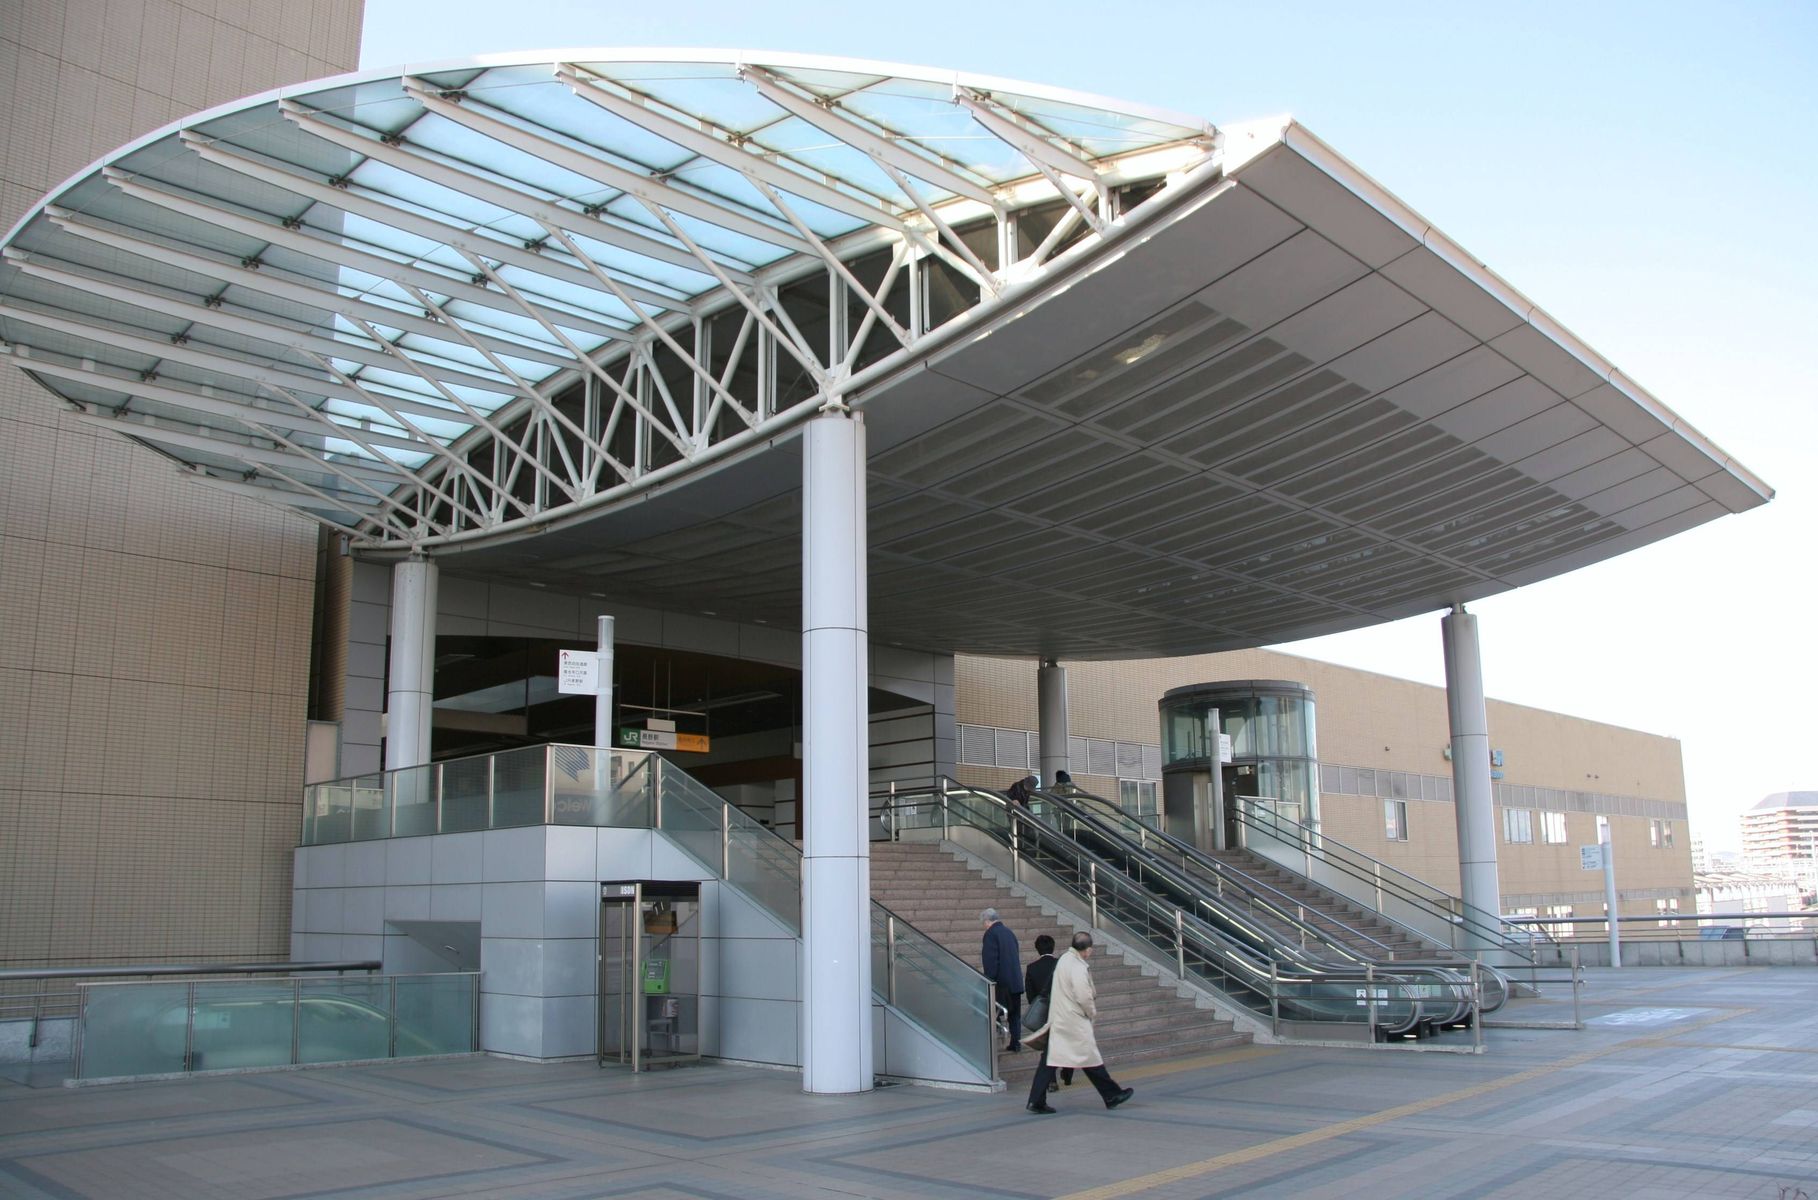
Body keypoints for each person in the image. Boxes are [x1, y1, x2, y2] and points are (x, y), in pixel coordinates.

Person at [1025, 931, 1133, 1114]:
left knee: (1049, 1061)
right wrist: (1091, 1012)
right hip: (1072, 1020)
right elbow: (1083, 995)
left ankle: (1036, 1100)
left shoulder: (1064, 959)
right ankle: (1112, 1095)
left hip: (1059, 1018)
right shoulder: (1077, 965)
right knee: (1089, 1057)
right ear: (1088, 949)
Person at [1022, 934, 1070, 1091]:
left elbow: (1031, 996)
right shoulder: (1060, 964)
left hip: (1044, 1013)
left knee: (1048, 1047)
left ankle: (1052, 1081)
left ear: (1037, 949)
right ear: (1053, 947)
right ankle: (1067, 1071)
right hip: (1063, 1010)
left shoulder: (1032, 968)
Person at [980, 907, 1024, 1051]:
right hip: (1015, 981)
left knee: (993, 1011)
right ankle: (1016, 1042)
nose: (984, 926)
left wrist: (989, 979)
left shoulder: (990, 934)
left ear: (987, 921)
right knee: (1014, 1015)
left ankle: (991, 1042)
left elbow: (990, 961)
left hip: (1001, 983)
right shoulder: (1009, 932)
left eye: (983, 923)